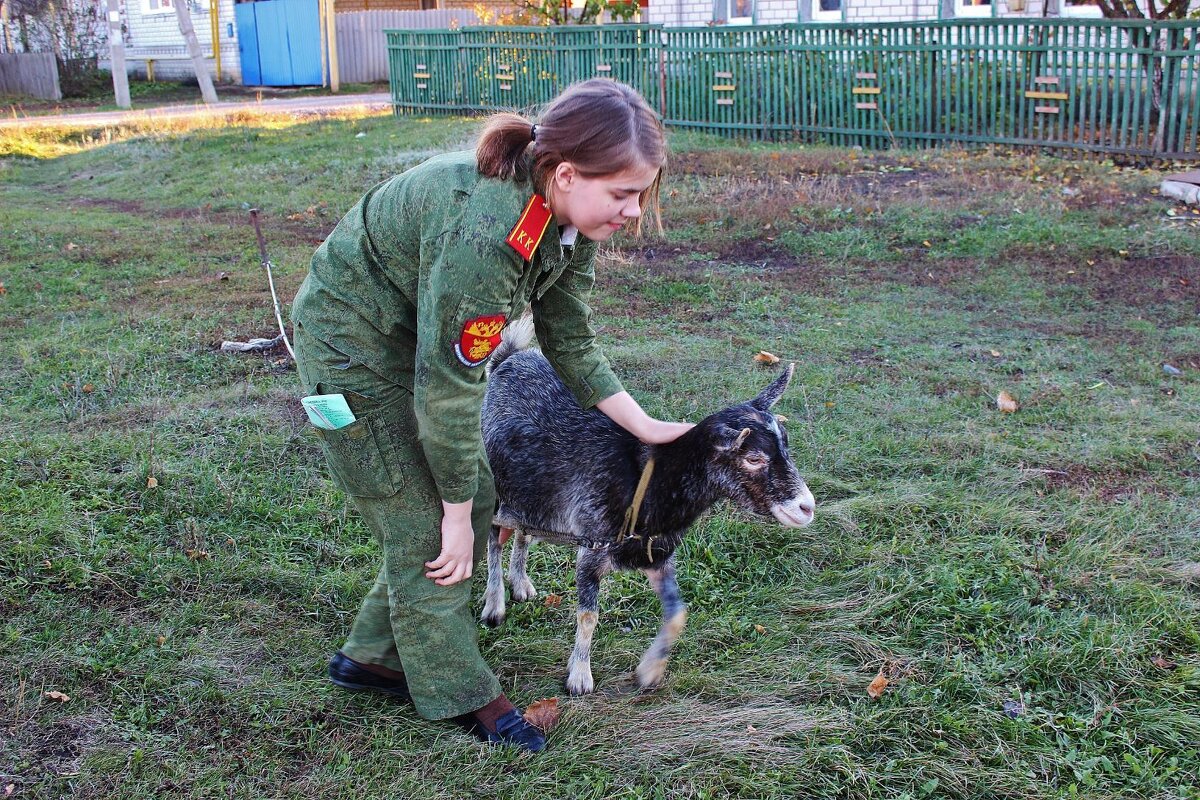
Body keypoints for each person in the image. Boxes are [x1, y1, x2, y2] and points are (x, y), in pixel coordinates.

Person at [290, 78, 692, 753]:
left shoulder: (567, 222)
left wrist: (646, 427)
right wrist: (452, 516)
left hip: (412, 337)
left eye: (640, 195)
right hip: (350, 347)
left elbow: (570, 339)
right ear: (565, 173)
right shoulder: (489, 233)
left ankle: (372, 656)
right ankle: (459, 693)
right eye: (622, 194)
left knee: (470, 497)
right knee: (426, 523)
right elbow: (449, 387)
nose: (631, 211)